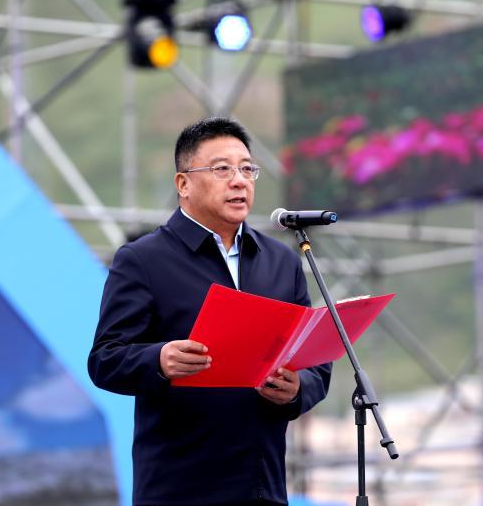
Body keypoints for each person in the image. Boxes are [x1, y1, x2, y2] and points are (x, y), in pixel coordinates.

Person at [88, 117, 332, 506]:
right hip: (179, 491)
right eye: (222, 169)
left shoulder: (281, 261)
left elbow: (314, 359)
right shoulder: (143, 260)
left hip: (263, 487)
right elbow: (105, 359)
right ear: (183, 184)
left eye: (247, 169)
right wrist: (159, 359)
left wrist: (298, 389)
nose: (239, 181)